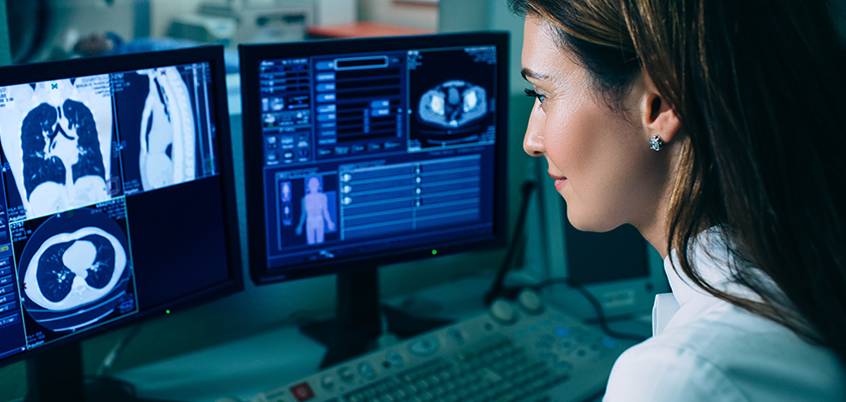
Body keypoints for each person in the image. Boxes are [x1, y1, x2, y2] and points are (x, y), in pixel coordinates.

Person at [510, 0, 846, 400]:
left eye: (542, 95)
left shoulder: (675, 377)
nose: (531, 142)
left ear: (660, 105)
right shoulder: (808, 275)